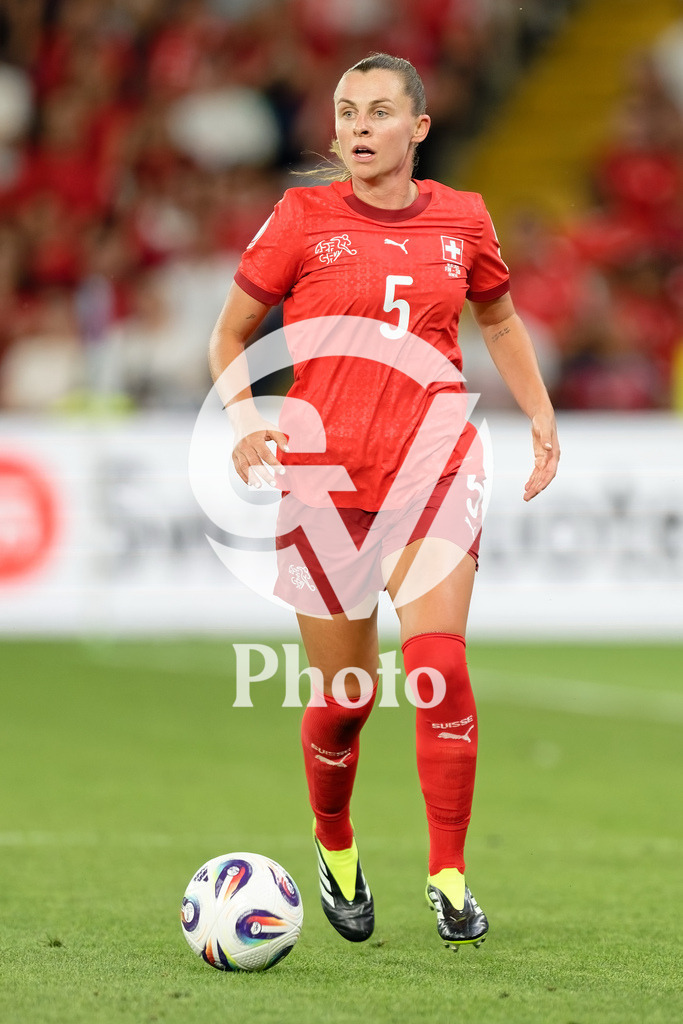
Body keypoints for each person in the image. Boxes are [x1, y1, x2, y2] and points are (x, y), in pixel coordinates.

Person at [209, 53, 560, 951]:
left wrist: (538, 414)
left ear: (419, 129)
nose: (357, 127)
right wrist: (247, 419)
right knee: (346, 695)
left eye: (376, 112)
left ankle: (447, 876)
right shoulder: (301, 217)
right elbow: (229, 334)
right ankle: (334, 843)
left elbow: (501, 318)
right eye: (345, 112)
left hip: (433, 466)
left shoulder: (463, 219)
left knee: (438, 660)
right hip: (325, 485)